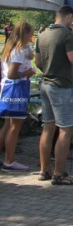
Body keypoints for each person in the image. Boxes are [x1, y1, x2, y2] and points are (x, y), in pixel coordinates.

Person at [35, 6, 73, 184]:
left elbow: (38, 61)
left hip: (45, 84)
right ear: (69, 17)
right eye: (72, 20)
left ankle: (43, 170)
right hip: (61, 86)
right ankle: (59, 173)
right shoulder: (66, 34)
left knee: (48, 128)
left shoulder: (42, 34)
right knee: (65, 129)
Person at [0, 21, 35, 172]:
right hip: (16, 88)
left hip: (8, 89)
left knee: (7, 125)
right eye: (30, 33)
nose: (32, 37)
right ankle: (9, 161)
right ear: (25, 34)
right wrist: (25, 74)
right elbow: (12, 73)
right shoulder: (19, 51)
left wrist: (30, 51)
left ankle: (6, 159)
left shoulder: (13, 48)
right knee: (15, 126)